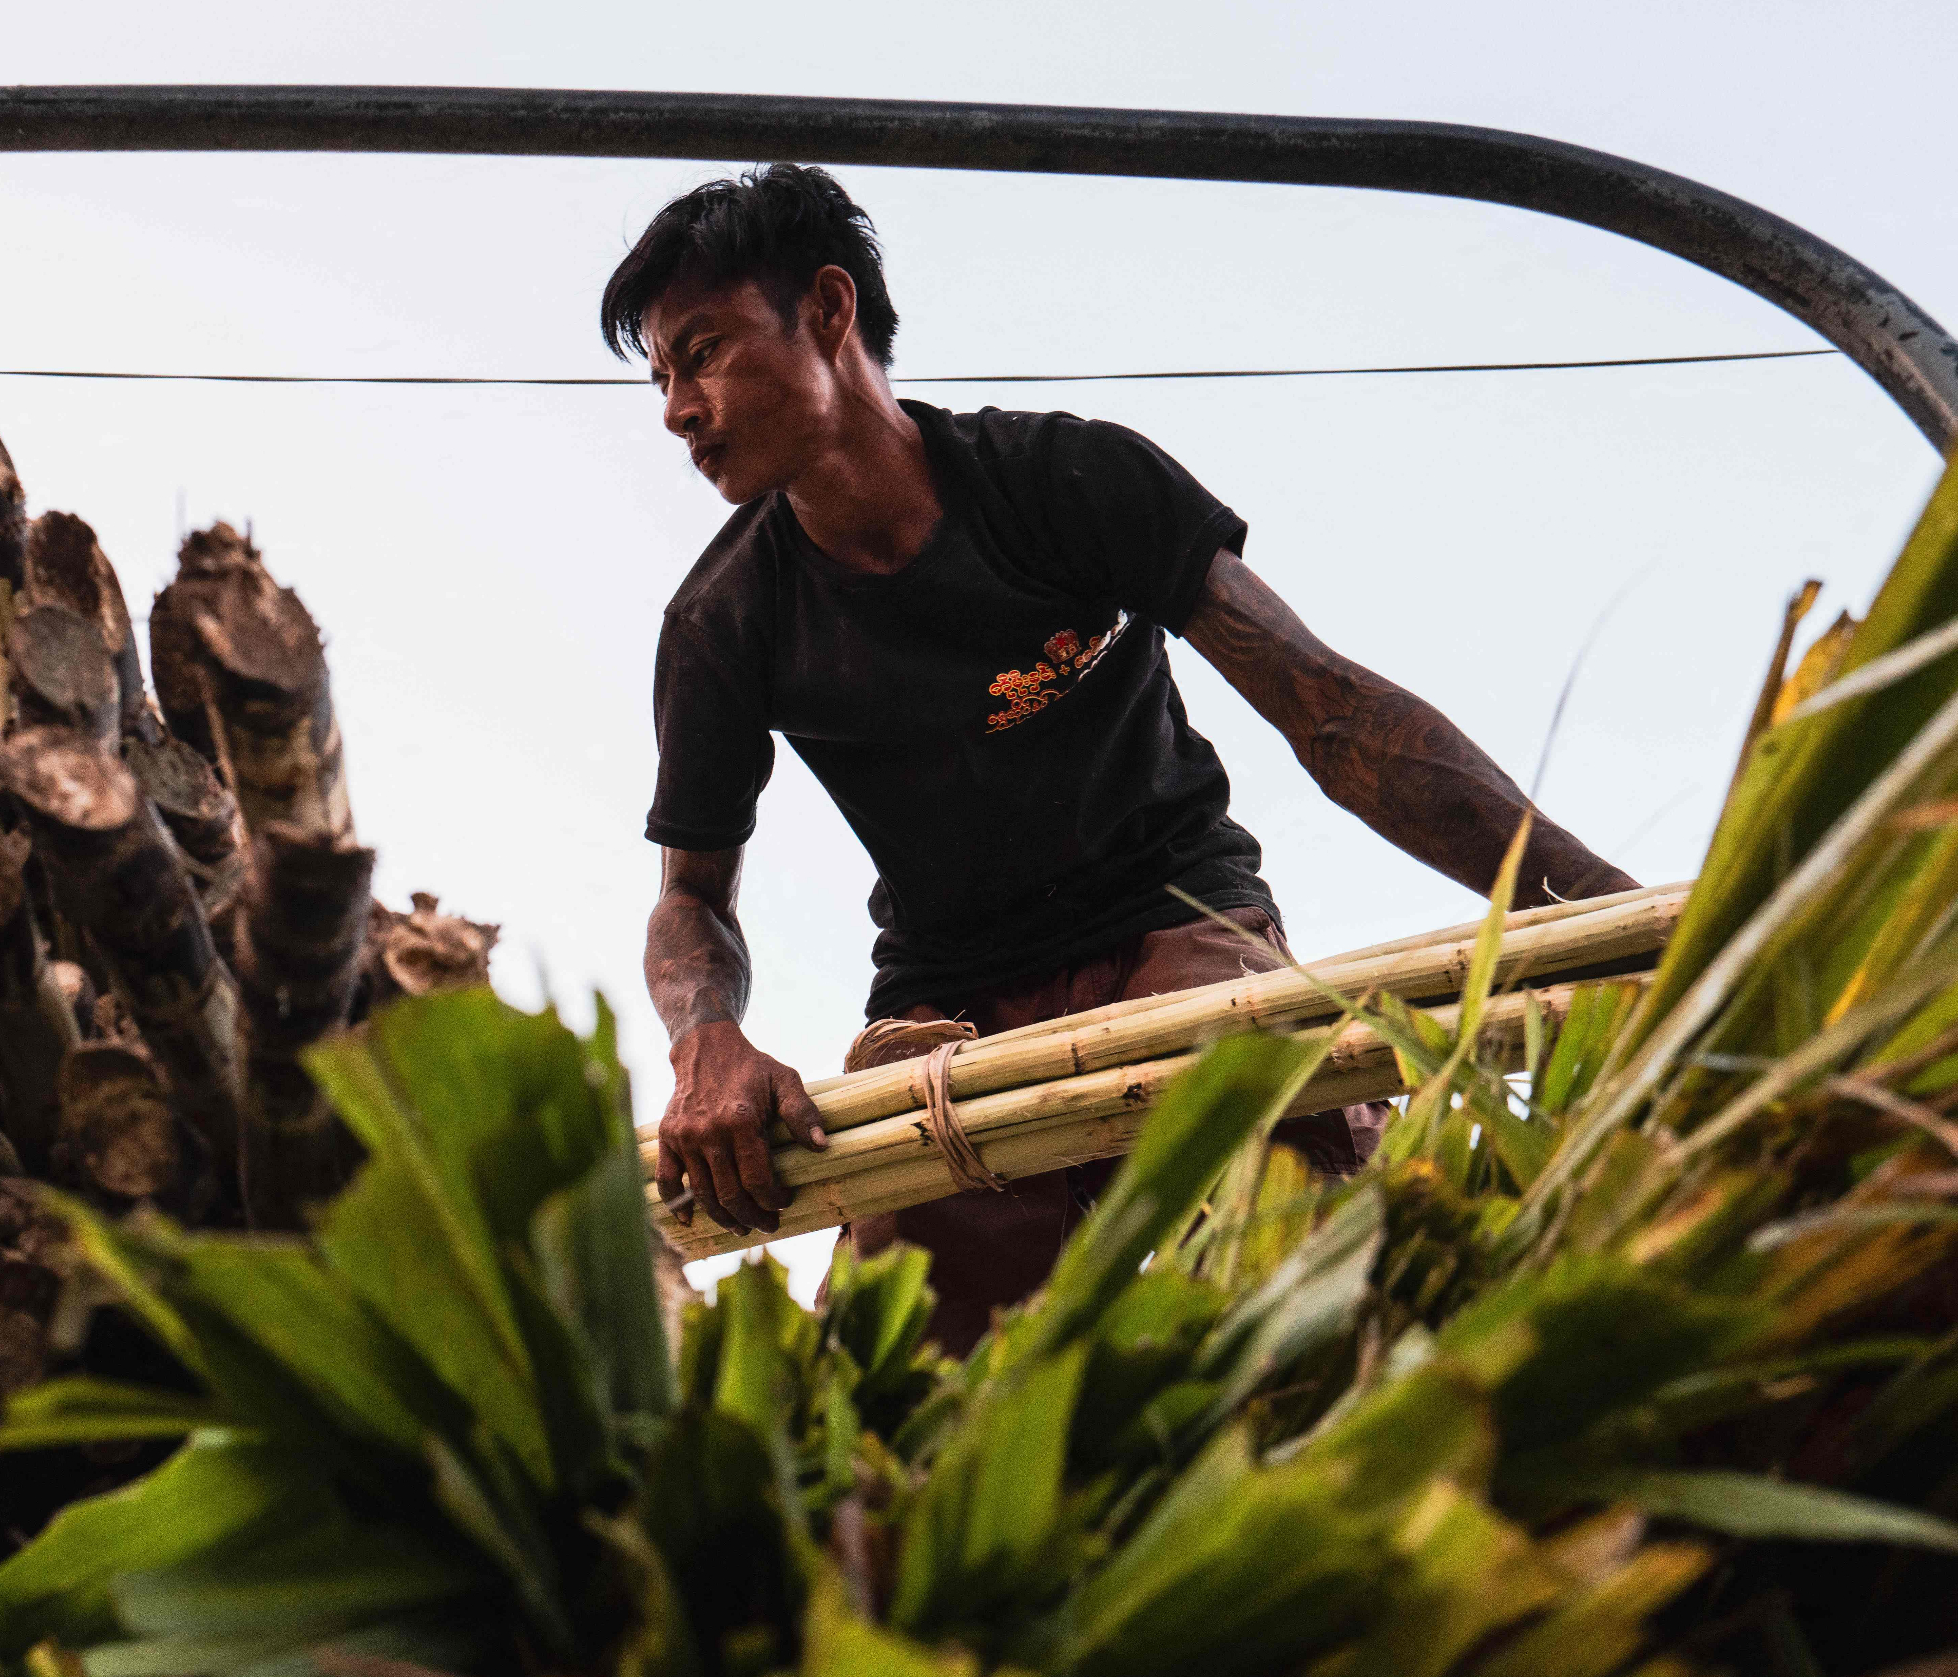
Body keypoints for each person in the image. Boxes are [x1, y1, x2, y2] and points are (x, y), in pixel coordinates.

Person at [610, 164, 1637, 1351]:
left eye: (705, 350)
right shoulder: (725, 619)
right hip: (955, 1001)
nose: (679, 407)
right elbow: (691, 898)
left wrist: (1619, 918)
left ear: (830, 313)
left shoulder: (1066, 482)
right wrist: (708, 1042)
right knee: (891, 1383)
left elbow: (1334, 712)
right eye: (663, 376)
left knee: (1315, 1256)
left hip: (1176, 921)